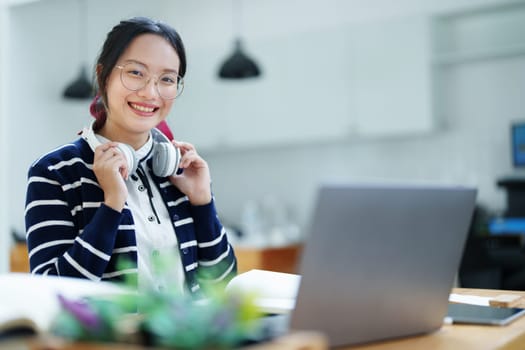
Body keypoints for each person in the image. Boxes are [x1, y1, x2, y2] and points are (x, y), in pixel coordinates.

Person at [24, 17, 237, 296]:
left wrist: (202, 204)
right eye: (136, 72)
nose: (151, 93)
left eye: (167, 79)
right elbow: (52, 294)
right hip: (110, 340)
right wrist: (112, 205)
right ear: (104, 76)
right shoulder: (54, 172)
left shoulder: (177, 169)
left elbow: (223, 284)